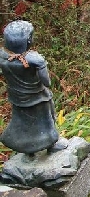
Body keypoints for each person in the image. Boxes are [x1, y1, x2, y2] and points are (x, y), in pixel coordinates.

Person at [0, 20, 60, 154]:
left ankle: (28, 151)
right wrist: (42, 65)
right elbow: (47, 82)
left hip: (17, 97)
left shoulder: (3, 56)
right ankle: (51, 145)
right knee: (46, 120)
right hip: (37, 96)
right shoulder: (34, 59)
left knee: (22, 122)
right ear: (27, 41)